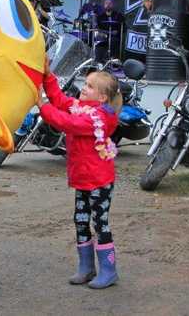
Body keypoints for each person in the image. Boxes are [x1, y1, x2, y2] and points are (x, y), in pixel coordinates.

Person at [37, 62, 122, 289]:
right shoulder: (82, 107)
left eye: (90, 86)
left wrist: (42, 106)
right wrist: (47, 76)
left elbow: (66, 122)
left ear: (102, 97)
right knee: (81, 221)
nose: (84, 88)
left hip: (99, 182)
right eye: (85, 84)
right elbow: (62, 100)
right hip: (83, 180)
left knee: (99, 223)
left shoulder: (97, 119)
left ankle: (108, 270)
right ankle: (86, 267)